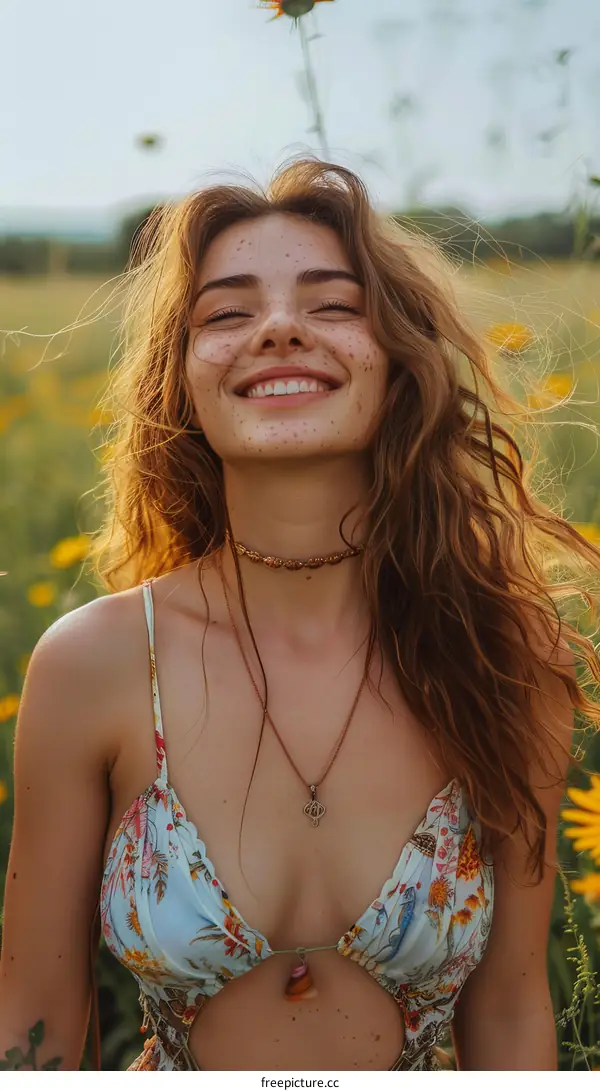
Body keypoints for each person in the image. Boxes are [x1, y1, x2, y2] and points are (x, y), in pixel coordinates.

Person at [1, 158, 599, 1073]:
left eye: (333, 304)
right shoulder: (98, 663)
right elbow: (32, 1025)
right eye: (228, 313)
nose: (279, 328)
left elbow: (513, 1009)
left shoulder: (502, 656)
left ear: (399, 361)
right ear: (185, 379)